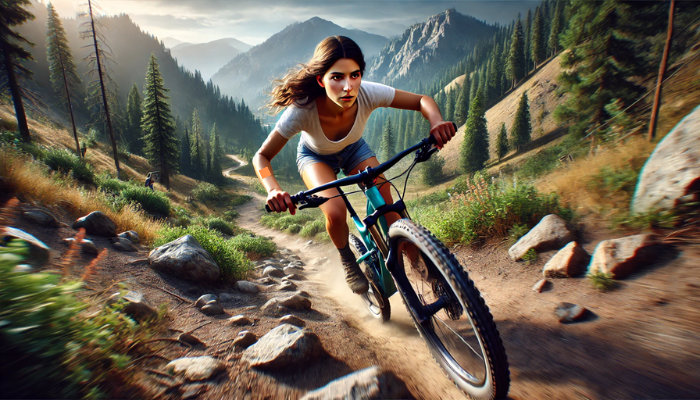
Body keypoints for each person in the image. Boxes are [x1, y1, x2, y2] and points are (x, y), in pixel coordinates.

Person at [254, 36, 455, 294]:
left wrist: (436, 121)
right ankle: (347, 258)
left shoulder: (368, 93)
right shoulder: (302, 110)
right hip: (315, 157)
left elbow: (421, 100)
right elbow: (261, 158)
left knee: (387, 201)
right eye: (337, 77)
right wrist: (272, 189)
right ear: (320, 79)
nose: (348, 86)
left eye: (355, 75)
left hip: (354, 149)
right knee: (336, 212)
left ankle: (420, 264)